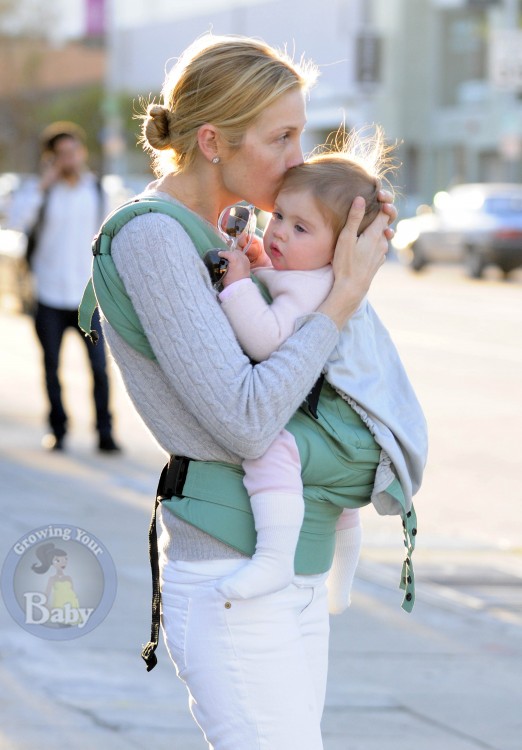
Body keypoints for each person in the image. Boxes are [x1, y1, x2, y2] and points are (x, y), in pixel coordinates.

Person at [93, 34, 397, 750]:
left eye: (302, 133)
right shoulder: (151, 240)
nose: (299, 156)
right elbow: (246, 421)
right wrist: (339, 299)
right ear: (211, 141)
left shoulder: (236, 234)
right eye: (281, 136)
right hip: (229, 566)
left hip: (289, 562)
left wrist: (344, 242)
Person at [214, 132, 427, 611]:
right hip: (357, 429)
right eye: (279, 217)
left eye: (301, 228)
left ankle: (272, 559)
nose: (280, 233)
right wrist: (261, 263)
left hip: (348, 429)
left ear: (342, 247)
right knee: (331, 496)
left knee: (273, 447)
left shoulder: (314, 288)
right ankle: (343, 582)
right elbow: (285, 284)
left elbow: (267, 337)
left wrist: (236, 285)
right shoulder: (319, 275)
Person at [7, 122, 120, 453]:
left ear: (82, 152)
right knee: (52, 368)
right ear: (51, 159)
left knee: (99, 369)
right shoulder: (41, 191)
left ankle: (105, 432)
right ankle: (58, 429)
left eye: (73, 151)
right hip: (49, 296)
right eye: (61, 155)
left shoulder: (98, 191)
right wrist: (43, 184)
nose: (69, 159)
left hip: (88, 298)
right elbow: (16, 222)